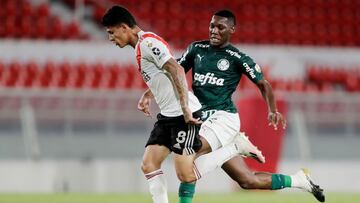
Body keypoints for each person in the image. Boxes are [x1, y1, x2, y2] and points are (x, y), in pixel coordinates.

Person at [101, 6, 264, 203]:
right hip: (168, 115)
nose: (110, 38)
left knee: (186, 174)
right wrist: (148, 94)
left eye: (112, 32)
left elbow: (176, 69)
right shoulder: (141, 44)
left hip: (181, 113)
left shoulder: (148, 43)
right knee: (149, 164)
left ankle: (235, 146)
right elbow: (163, 75)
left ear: (124, 27)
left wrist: (186, 108)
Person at [174, 9, 325, 203]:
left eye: (220, 27)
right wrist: (150, 92)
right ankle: (299, 180)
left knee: (189, 153)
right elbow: (175, 72)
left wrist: (272, 110)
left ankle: (237, 145)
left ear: (232, 29)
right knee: (247, 180)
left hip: (221, 121)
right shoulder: (196, 49)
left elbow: (264, 84)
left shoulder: (237, 58)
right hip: (202, 121)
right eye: (212, 26)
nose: (214, 30)